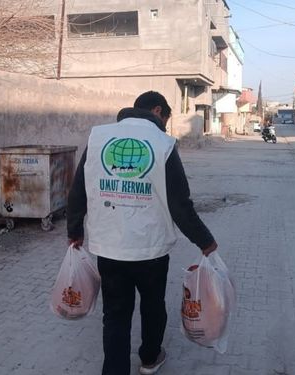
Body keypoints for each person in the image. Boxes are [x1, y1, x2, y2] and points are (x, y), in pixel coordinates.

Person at [66, 91, 218, 375]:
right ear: (158, 110)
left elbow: (78, 190)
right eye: (165, 119)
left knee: (115, 314)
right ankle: (150, 358)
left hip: (109, 247)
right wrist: (204, 240)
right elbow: (179, 204)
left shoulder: (98, 138)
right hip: (151, 248)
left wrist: (74, 230)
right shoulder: (163, 144)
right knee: (152, 304)